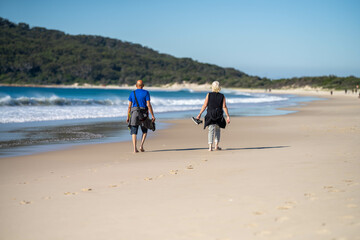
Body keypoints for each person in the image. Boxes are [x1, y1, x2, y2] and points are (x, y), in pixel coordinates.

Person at [196, 81, 230, 151]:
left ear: (212, 87)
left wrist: (199, 114)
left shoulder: (209, 94)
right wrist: (228, 116)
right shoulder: (222, 96)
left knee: (211, 130)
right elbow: (224, 106)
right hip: (219, 114)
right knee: (217, 130)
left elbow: (205, 105)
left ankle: (210, 147)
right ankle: (216, 146)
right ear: (219, 87)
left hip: (210, 114)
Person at [126, 80, 155, 153]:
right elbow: (148, 105)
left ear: (136, 85)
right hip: (143, 113)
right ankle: (141, 146)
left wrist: (128, 117)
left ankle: (134, 149)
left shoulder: (132, 93)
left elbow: (129, 106)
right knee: (144, 130)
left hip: (134, 113)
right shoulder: (146, 92)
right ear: (143, 85)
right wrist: (152, 115)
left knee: (134, 131)